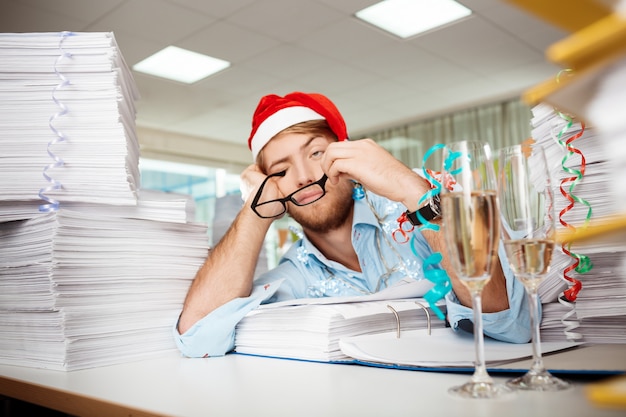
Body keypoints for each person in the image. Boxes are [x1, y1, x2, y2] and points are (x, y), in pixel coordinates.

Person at [174, 92, 531, 358]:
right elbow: (196, 337)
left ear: (346, 155)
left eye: (316, 153)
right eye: (280, 171)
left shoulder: (416, 201)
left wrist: (414, 190)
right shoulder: (297, 271)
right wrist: (254, 212)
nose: (303, 177)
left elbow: (510, 323)